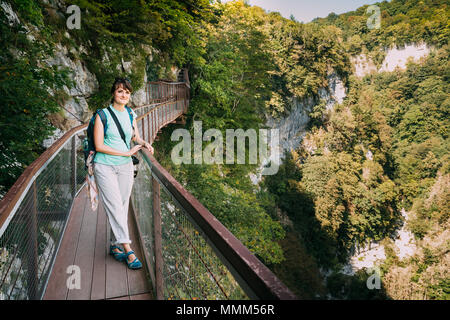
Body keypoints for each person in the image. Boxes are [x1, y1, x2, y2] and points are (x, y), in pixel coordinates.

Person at [93, 77, 153, 269]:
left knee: (122, 205)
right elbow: (99, 146)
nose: (124, 95)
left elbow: (134, 136)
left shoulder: (130, 113)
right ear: (113, 93)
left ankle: (114, 245)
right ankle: (128, 250)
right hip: (105, 166)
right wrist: (126, 152)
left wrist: (143, 143)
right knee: (114, 205)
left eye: (127, 92)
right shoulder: (102, 115)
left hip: (125, 167)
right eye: (120, 91)